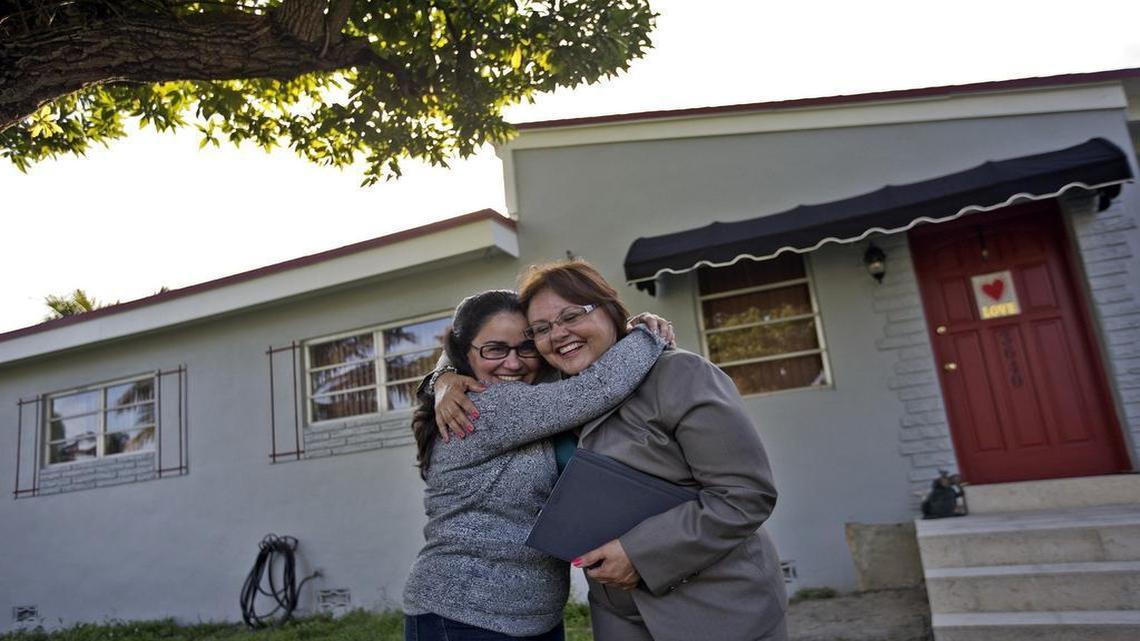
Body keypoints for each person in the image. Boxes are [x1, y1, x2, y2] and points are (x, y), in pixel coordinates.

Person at [435, 261, 787, 641]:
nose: (558, 334)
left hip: (716, 607)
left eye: (572, 315)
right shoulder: (547, 392)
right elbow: (474, 344)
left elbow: (745, 496)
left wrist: (639, 552)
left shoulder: (681, 375)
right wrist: (441, 376)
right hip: (619, 614)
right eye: (542, 329)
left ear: (610, 310)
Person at [402, 289, 668, 641]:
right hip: (464, 616)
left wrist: (440, 376)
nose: (513, 363)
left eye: (526, 346)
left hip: (533, 617)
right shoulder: (484, 407)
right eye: (495, 349)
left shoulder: (528, 390)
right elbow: (599, 388)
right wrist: (647, 335)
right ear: (464, 352)